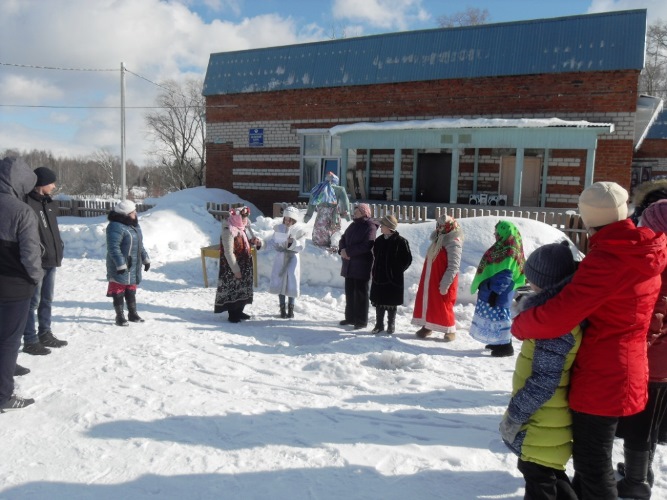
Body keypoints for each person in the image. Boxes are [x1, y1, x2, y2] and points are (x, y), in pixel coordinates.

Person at [511, 181, 667, 500]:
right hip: (626, 366)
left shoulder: (611, 258)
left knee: (592, 463)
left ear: (587, 218)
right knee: (590, 461)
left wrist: (520, 323)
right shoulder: (640, 248)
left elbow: (560, 314)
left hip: (603, 374)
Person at [500, 241, 582, 500]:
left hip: (542, 421)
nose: (528, 282)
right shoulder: (556, 314)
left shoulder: (554, 323)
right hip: (547, 419)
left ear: (544, 282)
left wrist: (515, 415)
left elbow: (544, 382)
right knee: (548, 475)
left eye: (531, 278)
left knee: (539, 478)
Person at [615, 198, 667, 499]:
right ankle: (642, 471)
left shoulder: (660, 265)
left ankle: (635, 482)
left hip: (654, 362)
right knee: (652, 422)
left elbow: (654, 316)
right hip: (662, 363)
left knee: (640, 422)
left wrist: (637, 348)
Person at [0, 157, 40, 412]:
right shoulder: (21, 211)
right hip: (14, 287)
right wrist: (36, 277)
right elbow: (30, 254)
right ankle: (3, 395)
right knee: (8, 341)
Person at [21, 166, 67, 357]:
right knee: (32, 302)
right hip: (36, 261)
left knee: (47, 299)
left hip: (51, 260)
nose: (54, 186)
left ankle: (45, 333)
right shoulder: (26, 203)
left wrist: (59, 247)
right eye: (51, 182)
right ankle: (30, 340)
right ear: (41, 184)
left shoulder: (50, 203)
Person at [469, 220, 526, 357]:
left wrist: (495, 291)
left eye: (497, 232)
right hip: (493, 289)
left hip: (499, 291)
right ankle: (497, 342)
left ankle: (506, 346)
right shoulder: (503, 246)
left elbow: (506, 274)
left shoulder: (509, 250)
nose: (495, 234)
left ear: (504, 232)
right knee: (493, 317)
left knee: (500, 317)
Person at [412, 214, 463, 341]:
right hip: (432, 277)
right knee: (429, 301)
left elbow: (454, 266)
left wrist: (445, 283)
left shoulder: (454, 242)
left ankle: (450, 329)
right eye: (438, 225)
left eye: (442, 226)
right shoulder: (438, 238)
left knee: (444, 304)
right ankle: (428, 325)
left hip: (444, 279)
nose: (439, 228)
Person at [105, 200, 150, 326]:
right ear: (126, 214)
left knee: (131, 289)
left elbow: (139, 245)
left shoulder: (134, 226)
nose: (136, 213)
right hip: (119, 265)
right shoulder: (115, 226)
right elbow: (113, 248)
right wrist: (120, 264)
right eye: (133, 212)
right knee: (118, 289)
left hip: (133, 264)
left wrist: (145, 259)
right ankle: (119, 317)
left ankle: (132, 314)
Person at [370, 215, 412, 334]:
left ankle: (391, 324)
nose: (380, 227)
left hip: (393, 278)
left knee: (391, 302)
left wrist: (396, 271)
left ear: (389, 227)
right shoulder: (379, 240)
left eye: (382, 225)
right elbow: (375, 255)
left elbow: (407, 259)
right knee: (379, 301)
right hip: (379, 276)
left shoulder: (401, 242)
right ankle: (379, 324)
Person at [338, 203, 377, 329]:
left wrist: (349, 252)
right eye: (354, 211)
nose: (354, 213)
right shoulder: (353, 225)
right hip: (349, 264)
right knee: (350, 292)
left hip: (362, 265)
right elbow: (343, 238)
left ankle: (361, 320)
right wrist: (342, 250)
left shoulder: (370, 226)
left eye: (357, 211)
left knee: (361, 294)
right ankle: (350, 317)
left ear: (364, 212)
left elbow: (367, 245)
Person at [214, 208, 254, 323]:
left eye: (246, 217)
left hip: (243, 264)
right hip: (232, 267)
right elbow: (228, 252)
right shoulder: (229, 230)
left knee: (242, 289)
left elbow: (243, 243)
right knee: (233, 289)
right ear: (237, 218)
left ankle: (239, 311)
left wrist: (252, 242)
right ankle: (232, 314)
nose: (245, 220)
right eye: (243, 218)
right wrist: (236, 270)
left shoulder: (241, 228)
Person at [269, 206, 307, 318]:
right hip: (281, 257)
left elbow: (302, 245)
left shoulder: (299, 230)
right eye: (285, 219)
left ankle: (291, 309)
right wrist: (270, 244)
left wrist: (293, 242)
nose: (286, 221)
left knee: (291, 283)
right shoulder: (279, 228)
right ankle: (282, 309)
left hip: (292, 259)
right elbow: (273, 242)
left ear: (293, 219)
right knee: (280, 283)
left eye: (289, 219)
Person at [303, 172, 351, 249]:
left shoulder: (318, 188)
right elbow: (345, 203)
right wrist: (347, 216)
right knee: (334, 236)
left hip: (321, 217)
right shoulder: (340, 189)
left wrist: (307, 217)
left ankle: (319, 247)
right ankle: (333, 246)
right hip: (333, 216)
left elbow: (311, 204)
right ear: (336, 181)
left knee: (319, 240)